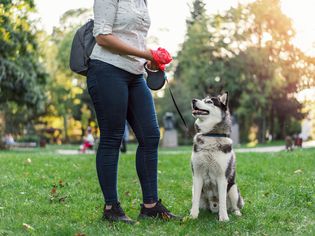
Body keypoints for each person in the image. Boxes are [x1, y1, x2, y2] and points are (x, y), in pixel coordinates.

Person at [86, 0, 177, 223]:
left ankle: (150, 205)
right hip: (107, 69)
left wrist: (150, 61)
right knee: (112, 136)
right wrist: (147, 55)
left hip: (135, 74)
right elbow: (102, 37)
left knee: (150, 135)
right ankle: (111, 208)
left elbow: (134, 37)